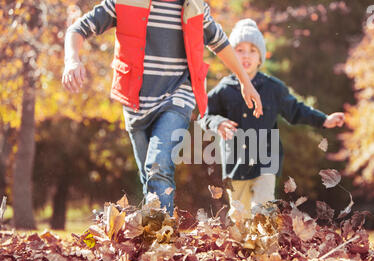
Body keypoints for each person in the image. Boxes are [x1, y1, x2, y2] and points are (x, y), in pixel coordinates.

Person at [62, 1, 263, 216]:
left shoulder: (194, 7)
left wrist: (245, 81)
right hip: (136, 101)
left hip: (178, 95)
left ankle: (162, 237)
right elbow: (77, 29)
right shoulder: (123, 3)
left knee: (158, 167)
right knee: (148, 175)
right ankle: (152, 232)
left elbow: (219, 42)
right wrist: (72, 60)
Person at [198, 19, 345, 217]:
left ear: (260, 57)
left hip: (265, 160)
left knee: (263, 208)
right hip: (235, 163)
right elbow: (204, 114)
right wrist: (218, 123)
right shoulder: (224, 89)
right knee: (239, 214)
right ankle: (242, 246)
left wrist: (324, 120)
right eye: (239, 50)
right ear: (231, 56)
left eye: (252, 50)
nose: (246, 55)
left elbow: (296, 109)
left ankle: (263, 245)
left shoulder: (273, 88)